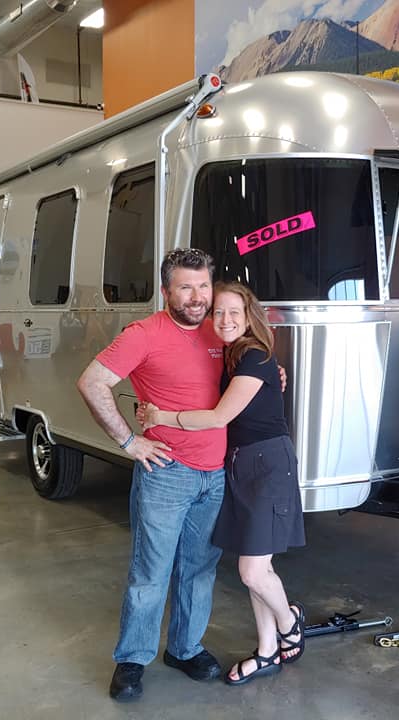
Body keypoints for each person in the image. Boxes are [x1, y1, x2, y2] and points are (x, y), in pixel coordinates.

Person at [76, 248, 227, 701]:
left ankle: (185, 649)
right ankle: (133, 659)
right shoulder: (144, 334)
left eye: (204, 286)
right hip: (167, 473)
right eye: (186, 287)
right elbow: (92, 382)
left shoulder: (220, 330)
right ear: (166, 291)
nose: (197, 297)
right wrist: (129, 442)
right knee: (151, 572)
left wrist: (272, 373)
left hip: (216, 473)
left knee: (199, 568)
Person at [140, 281, 306, 686]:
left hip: (267, 466)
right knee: (257, 563)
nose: (225, 319)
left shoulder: (254, 355)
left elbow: (218, 417)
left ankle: (289, 623)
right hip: (240, 465)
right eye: (218, 312)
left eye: (235, 312)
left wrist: (161, 418)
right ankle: (267, 650)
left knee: (252, 571)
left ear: (250, 316)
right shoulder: (231, 356)